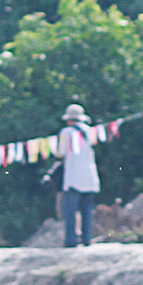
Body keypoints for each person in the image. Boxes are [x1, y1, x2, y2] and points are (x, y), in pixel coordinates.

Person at [47, 104, 99, 248]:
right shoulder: (90, 131)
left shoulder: (66, 132)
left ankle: (71, 240)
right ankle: (87, 238)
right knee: (87, 210)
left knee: (70, 211)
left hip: (73, 176)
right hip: (89, 176)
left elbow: (61, 154)